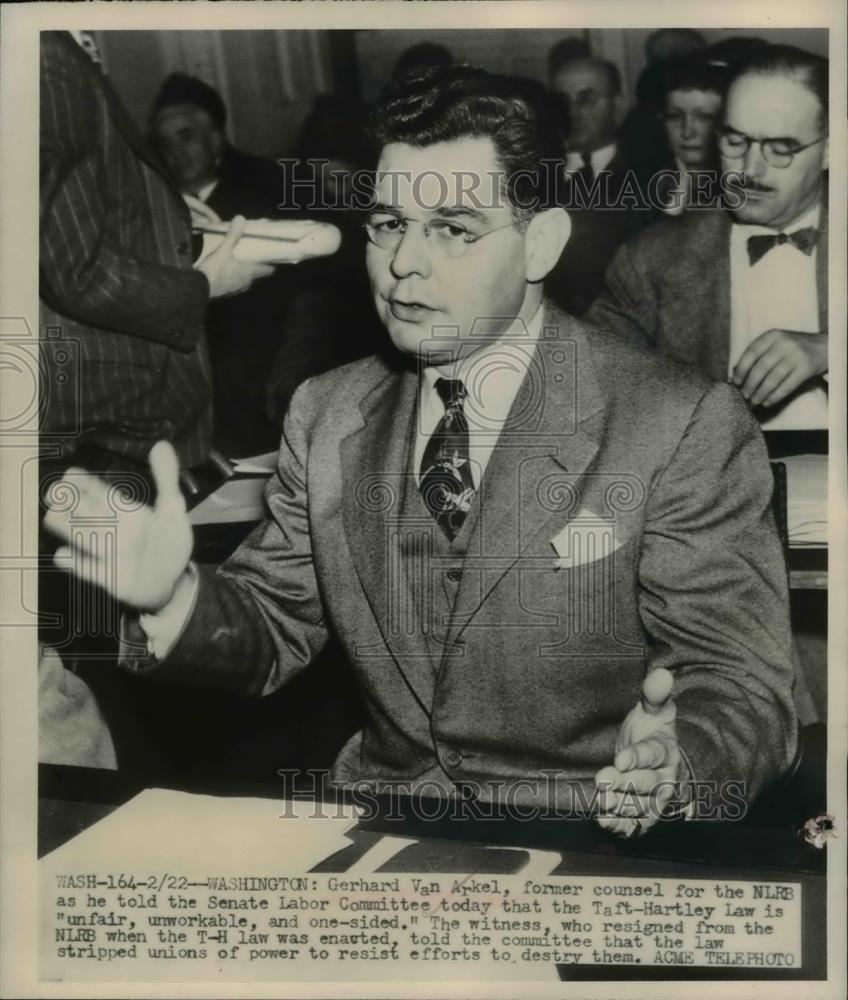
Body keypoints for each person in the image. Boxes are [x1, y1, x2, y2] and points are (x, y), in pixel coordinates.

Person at [45, 65, 796, 837]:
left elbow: (742, 683)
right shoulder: (328, 411)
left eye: (454, 229)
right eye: (389, 224)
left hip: (586, 835)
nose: (406, 263)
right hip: (383, 823)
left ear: (540, 244)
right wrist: (174, 598)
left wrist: (678, 759)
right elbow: (271, 624)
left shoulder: (677, 422)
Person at [39, 32, 271, 766]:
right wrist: (206, 284)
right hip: (84, 422)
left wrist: (171, 231)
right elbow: (69, 267)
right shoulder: (42, 54)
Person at [587, 44, 828, 430]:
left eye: (781, 148)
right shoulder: (650, 260)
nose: (750, 169)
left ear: (832, 147)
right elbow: (588, 388)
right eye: (736, 141)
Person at [545, 56, 651, 315]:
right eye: (561, 101)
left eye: (587, 100)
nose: (571, 113)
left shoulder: (649, 179)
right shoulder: (529, 177)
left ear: (618, 105)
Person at [651, 56, 728, 217]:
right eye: (674, 116)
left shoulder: (741, 191)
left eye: (704, 117)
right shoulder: (646, 185)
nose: (687, 132)